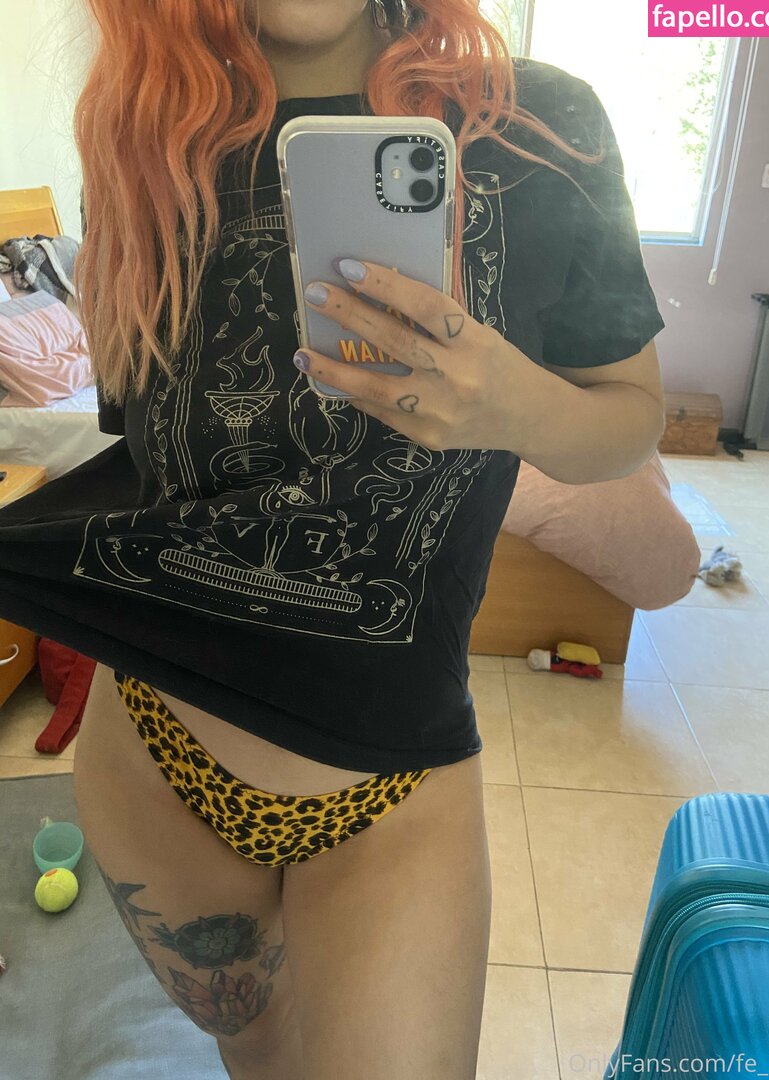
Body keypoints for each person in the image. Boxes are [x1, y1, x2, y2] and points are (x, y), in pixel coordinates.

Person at [0, 1, 667, 1077]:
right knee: (259, 1057)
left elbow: (631, 419)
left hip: (396, 790)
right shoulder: (143, 142)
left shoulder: (540, 129)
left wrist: (516, 408)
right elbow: (152, 461)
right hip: (157, 758)